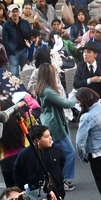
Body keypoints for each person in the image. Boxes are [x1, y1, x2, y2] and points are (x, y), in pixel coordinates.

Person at [34, 63, 77, 191]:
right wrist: (78, 98)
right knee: (69, 151)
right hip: (55, 124)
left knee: (57, 153)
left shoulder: (41, 89)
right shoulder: (48, 91)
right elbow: (66, 104)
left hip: (49, 121)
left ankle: (58, 178)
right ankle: (62, 179)